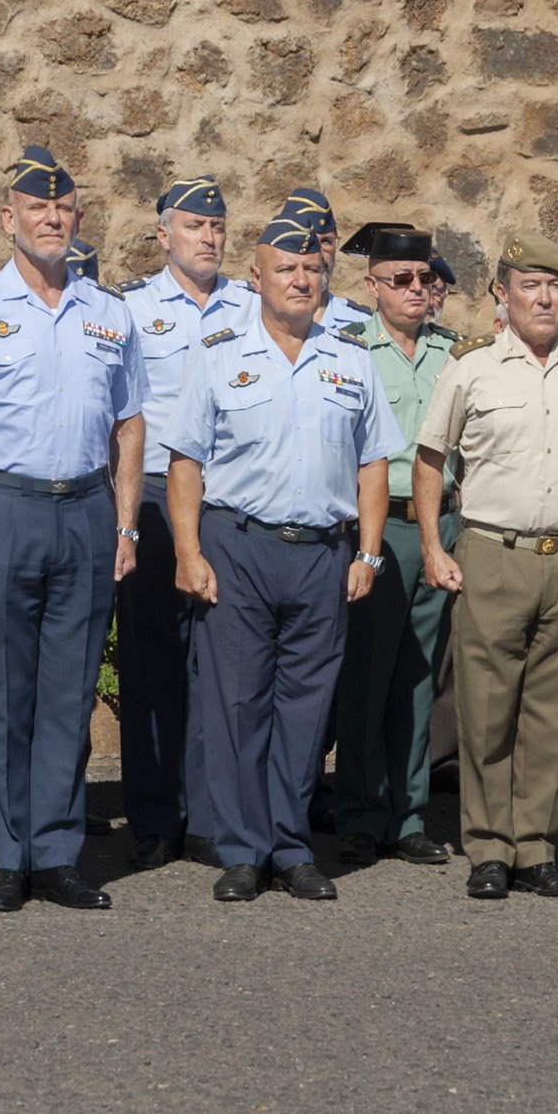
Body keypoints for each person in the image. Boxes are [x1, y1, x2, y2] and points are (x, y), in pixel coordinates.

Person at [0, 144, 144, 914]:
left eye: (63, 208)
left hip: (84, 509)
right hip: (5, 509)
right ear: (9, 220)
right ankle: (10, 857)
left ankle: (57, 852)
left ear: (77, 219)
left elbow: (130, 426)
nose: (52, 219)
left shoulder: (109, 313)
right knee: (7, 690)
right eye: (36, 208)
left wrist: (125, 525)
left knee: (69, 690)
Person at [166, 213, 400, 902]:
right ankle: (242, 850)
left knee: (305, 708)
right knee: (237, 704)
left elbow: (374, 465)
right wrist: (187, 551)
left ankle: (290, 843)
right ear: (257, 278)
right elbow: (184, 464)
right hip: (237, 546)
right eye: (286, 269)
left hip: (322, 553)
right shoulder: (218, 354)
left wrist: (369, 553)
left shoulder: (351, 356)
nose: (301, 279)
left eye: (310, 268)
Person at [412, 229, 558, 900]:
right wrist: (432, 545)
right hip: (492, 555)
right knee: (485, 711)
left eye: (556, 286)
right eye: (530, 285)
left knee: (555, 716)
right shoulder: (471, 367)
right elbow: (430, 456)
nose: (545, 297)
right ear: (502, 294)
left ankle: (536, 847)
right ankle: (488, 848)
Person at [116, 174, 253, 868]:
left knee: (216, 663)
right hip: (153, 502)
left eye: (217, 227)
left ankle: (206, 811)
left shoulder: (250, 307)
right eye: (194, 226)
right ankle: (153, 811)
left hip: (223, 504)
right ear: (163, 233)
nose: (208, 237)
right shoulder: (135, 309)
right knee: (149, 662)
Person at [331, 222, 464, 868]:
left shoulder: (453, 354)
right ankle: (359, 808)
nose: (417, 290)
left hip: (438, 527)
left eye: (425, 280)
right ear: (372, 285)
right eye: (401, 280)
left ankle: (408, 812)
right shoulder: (351, 350)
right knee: (367, 674)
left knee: (417, 675)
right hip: (377, 528)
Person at [276, 187, 372, 334]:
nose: (319, 253)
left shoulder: (362, 322)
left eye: (327, 241)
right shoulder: (255, 315)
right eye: (310, 240)